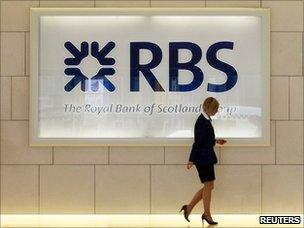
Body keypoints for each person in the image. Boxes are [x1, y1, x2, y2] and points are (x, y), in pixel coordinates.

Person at [179, 97, 227, 225]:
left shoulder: (206, 120)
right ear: (210, 108)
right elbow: (198, 143)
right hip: (202, 159)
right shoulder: (201, 121)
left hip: (206, 157)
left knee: (209, 186)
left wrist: (216, 141)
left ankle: (189, 208)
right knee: (209, 186)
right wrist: (191, 159)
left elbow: (205, 140)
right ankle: (206, 214)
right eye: (216, 108)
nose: (217, 111)